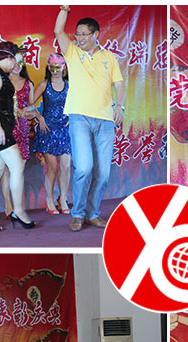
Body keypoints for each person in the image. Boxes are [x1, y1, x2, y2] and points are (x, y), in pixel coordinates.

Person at [55, 5, 125, 232]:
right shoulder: (73, 53)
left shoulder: (109, 57)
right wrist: (64, 9)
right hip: (79, 118)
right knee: (84, 168)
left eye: (85, 34)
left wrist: (120, 107)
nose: (80, 38)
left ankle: (91, 214)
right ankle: (77, 214)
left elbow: (119, 84)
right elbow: (58, 31)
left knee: (103, 173)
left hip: (105, 119)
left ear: (96, 35)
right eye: (78, 34)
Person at [0, 41, 35, 231]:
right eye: (16, 59)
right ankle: (18, 211)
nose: (17, 64)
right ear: (9, 57)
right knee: (17, 166)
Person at [1, 53, 43, 219]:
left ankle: (18, 206)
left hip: (23, 130)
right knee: (6, 170)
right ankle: (8, 206)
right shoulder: (2, 82)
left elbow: (32, 106)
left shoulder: (28, 84)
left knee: (19, 169)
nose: (18, 66)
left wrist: (28, 111)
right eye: (15, 62)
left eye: (21, 62)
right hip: (7, 129)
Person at [33, 53, 72, 215]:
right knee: (52, 167)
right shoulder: (44, 85)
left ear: (64, 67)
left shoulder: (70, 85)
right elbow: (29, 104)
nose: (55, 70)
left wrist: (72, 117)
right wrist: (39, 117)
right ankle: (49, 199)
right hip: (47, 130)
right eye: (52, 67)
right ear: (48, 67)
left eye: (59, 66)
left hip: (65, 130)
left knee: (66, 166)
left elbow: (78, 104)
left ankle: (63, 199)